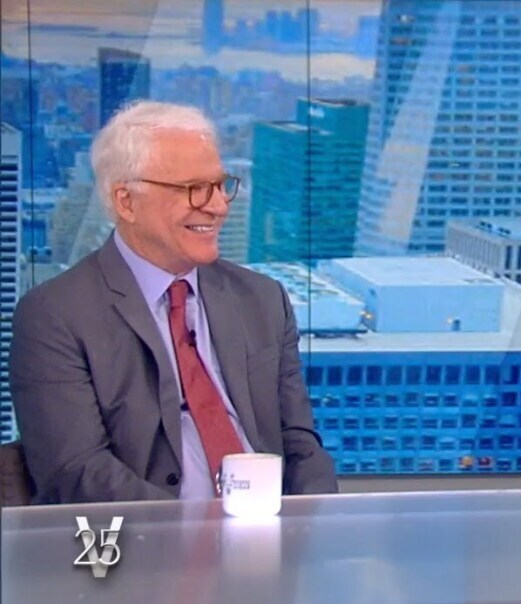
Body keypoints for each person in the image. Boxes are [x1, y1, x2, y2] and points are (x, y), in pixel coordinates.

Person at [10, 100, 339, 504]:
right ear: (126, 201)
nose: (218, 206)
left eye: (220, 185)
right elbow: (78, 471)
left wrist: (313, 525)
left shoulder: (263, 299)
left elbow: (300, 444)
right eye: (194, 189)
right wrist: (192, 534)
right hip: (140, 538)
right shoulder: (54, 315)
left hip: (269, 531)